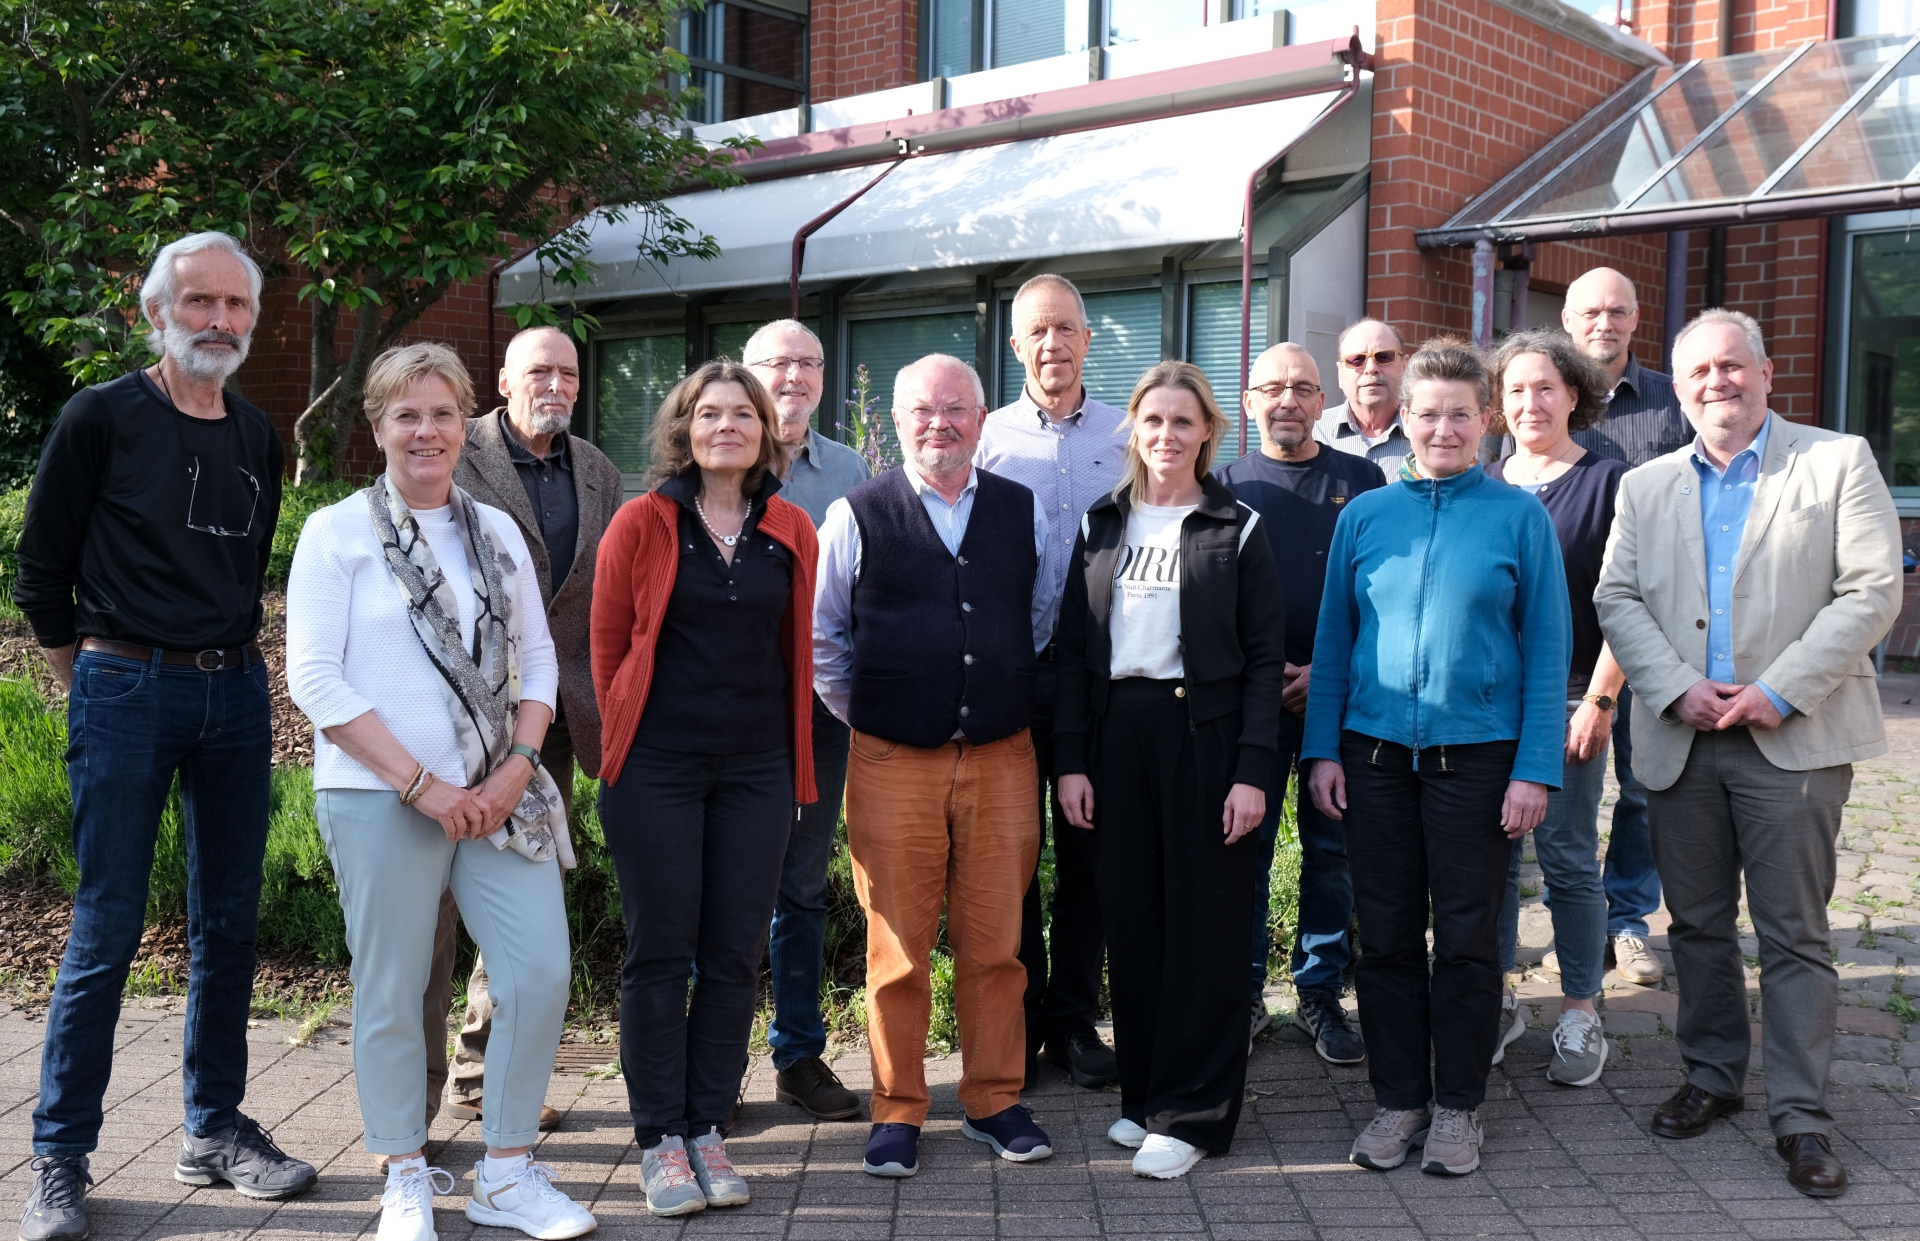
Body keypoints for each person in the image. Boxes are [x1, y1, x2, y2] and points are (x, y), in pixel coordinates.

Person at [14, 231, 316, 1241]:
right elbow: (41, 576)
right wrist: (92, 681)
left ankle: (214, 1128)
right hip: (125, 683)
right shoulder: (100, 417)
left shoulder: (259, 436)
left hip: (233, 695)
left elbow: (243, 575)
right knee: (104, 930)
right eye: (199, 303)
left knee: (229, 923)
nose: (220, 322)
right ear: (156, 311)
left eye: (237, 305)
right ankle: (60, 1156)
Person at [286, 343, 593, 1241]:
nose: (426, 430)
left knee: (539, 974)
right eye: (406, 414)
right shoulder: (335, 532)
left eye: (443, 413)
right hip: (382, 797)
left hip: (499, 797)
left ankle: (504, 1172)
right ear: (378, 427)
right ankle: (405, 1175)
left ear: (468, 423)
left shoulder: (493, 532)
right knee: (392, 987)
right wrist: (421, 783)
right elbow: (316, 679)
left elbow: (538, 661)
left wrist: (515, 769)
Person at [1594, 309, 1903, 1198]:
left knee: (1795, 935)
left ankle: (1802, 1116)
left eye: (1733, 365)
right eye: (1699, 372)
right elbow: (1618, 597)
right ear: (1679, 385)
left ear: (1766, 374)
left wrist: (1779, 688)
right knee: (1694, 925)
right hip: (1683, 734)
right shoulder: (1645, 484)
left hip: (1791, 737)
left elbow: (1874, 590)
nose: (1716, 382)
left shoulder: (1836, 461)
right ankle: (1714, 1075)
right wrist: (1674, 684)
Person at [1305, 340, 1570, 1178]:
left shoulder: (1518, 515)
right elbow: (1334, 643)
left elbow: (1547, 648)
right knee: (1380, 937)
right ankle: (1397, 1100)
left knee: (1464, 937)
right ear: (1404, 419)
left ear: (1484, 420)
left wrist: (1536, 767)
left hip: (1479, 763)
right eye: (1428, 413)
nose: (1444, 427)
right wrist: (1321, 750)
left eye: (1461, 413)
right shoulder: (1364, 516)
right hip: (1374, 758)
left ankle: (1457, 1106)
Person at [814, 353, 1056, 1179]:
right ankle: (897, 1108)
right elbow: (824, 641)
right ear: (897, 419)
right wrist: (881, 716)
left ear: (982, 419)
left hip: (1002, 757)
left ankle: (993, 1097)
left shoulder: (1022, 510)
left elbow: (1043, 612)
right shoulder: (856, 513)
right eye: (921, 410)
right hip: (892, 761)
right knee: (898, 948)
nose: (939, 424)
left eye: (956, 409)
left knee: (998, 942)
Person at [590, 360, 820, 1217]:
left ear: (765, 431)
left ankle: (708, 1126)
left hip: (757, 772)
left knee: (734, 954)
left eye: (743, 414)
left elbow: (797, 655)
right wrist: (619, 754)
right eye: (709, 413)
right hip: (657, 770)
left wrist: (795, 772)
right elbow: (608, 649)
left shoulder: (792, 529)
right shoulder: (641, 525)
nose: (727, 426)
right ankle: (659, 1137)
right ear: (684, 429)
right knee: (660, 954)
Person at [1054, 360, 1287, 1179]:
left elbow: (1266, 660)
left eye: (1182, 422)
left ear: (1208, 432)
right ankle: (1146, 1096)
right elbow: (1076, 654)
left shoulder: (1238, 526)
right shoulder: (1102, 524)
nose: (1166, 436)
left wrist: (1254, 771)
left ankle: (1194, 1114)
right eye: (1152, 421)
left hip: (1207, 739)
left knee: (1206, 925)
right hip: (1121, 734)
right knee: (1136, 922)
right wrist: (1072, 761)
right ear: (1134, 431)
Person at [416, 325, 621, 1141]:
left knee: (519, 904)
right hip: (451, 720)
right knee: (429, 912)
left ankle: (482, 1072)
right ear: (504, 379)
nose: (558, 384)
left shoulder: (598, 470)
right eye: (540, 369)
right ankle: (414, 1098)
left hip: (557, 719)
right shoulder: (448, 450)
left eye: (569, 372)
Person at [976, 273, 1129, 1090]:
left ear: (1087, 338)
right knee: (1014, 857)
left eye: (1065, 328)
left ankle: (1074, 1017)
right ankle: (1023, 1019)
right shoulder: (988, 436)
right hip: (1017, 671)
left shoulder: (1129, 431)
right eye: (1036, 331)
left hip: (1103, 674)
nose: (1052, 344)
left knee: (1090, 854)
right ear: (1016, 345)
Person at [1216, 343, 1383, 1062]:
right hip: (1249, 702)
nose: (1287, 399)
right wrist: (1264, 672)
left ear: (1324, 402)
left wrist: (1325, 670)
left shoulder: (1364, 479)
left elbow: (1380, 593)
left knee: (1334, 851)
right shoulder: (1220, 484)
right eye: (1272, 388)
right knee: (1241, 850)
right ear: (1249, 402)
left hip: (1337, 695)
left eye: (1303, 388)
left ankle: (1319, 993)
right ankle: (1244, 993)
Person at [1485, 329, 1627, 1088]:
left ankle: (1579, 1009)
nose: (1530, 401)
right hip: (1485, 707)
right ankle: (1498, 998)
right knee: (1493, 860)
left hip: (1572, 696)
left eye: (1545, 387)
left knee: (1569, 859)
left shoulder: (1608, 481)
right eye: (1514, 389)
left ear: (1575, 393)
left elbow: (1629, 603)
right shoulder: (1482, 480)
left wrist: (1601, 698)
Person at [743, 319, 871, 1123]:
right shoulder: (717, 451)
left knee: (800, 888)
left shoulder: (850, 470)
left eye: (809, 362)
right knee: (719, 889)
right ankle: (712, 1060)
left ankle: (797, 1054)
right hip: (732, 714)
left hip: (819, 712)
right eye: (778, 361)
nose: (794, 375)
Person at [1554, 267, 1695, 987]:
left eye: (1616, 310)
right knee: (1561, 786)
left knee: (1643, 784)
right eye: (1589, 312)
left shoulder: (1675, 405)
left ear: (1636, 319)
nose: (1603, 322)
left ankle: (1628, 920)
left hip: (1657, 632)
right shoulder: (1551, 396)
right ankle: (1569, 913)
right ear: (1569, 321)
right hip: (1571, 632)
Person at [1314, 319, 1412, 471]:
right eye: (1356, 360)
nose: (1371, 368)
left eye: (1384, 357)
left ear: (1404, 367)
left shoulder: (1427, 434)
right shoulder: (1313, 433)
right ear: (1340, 374)